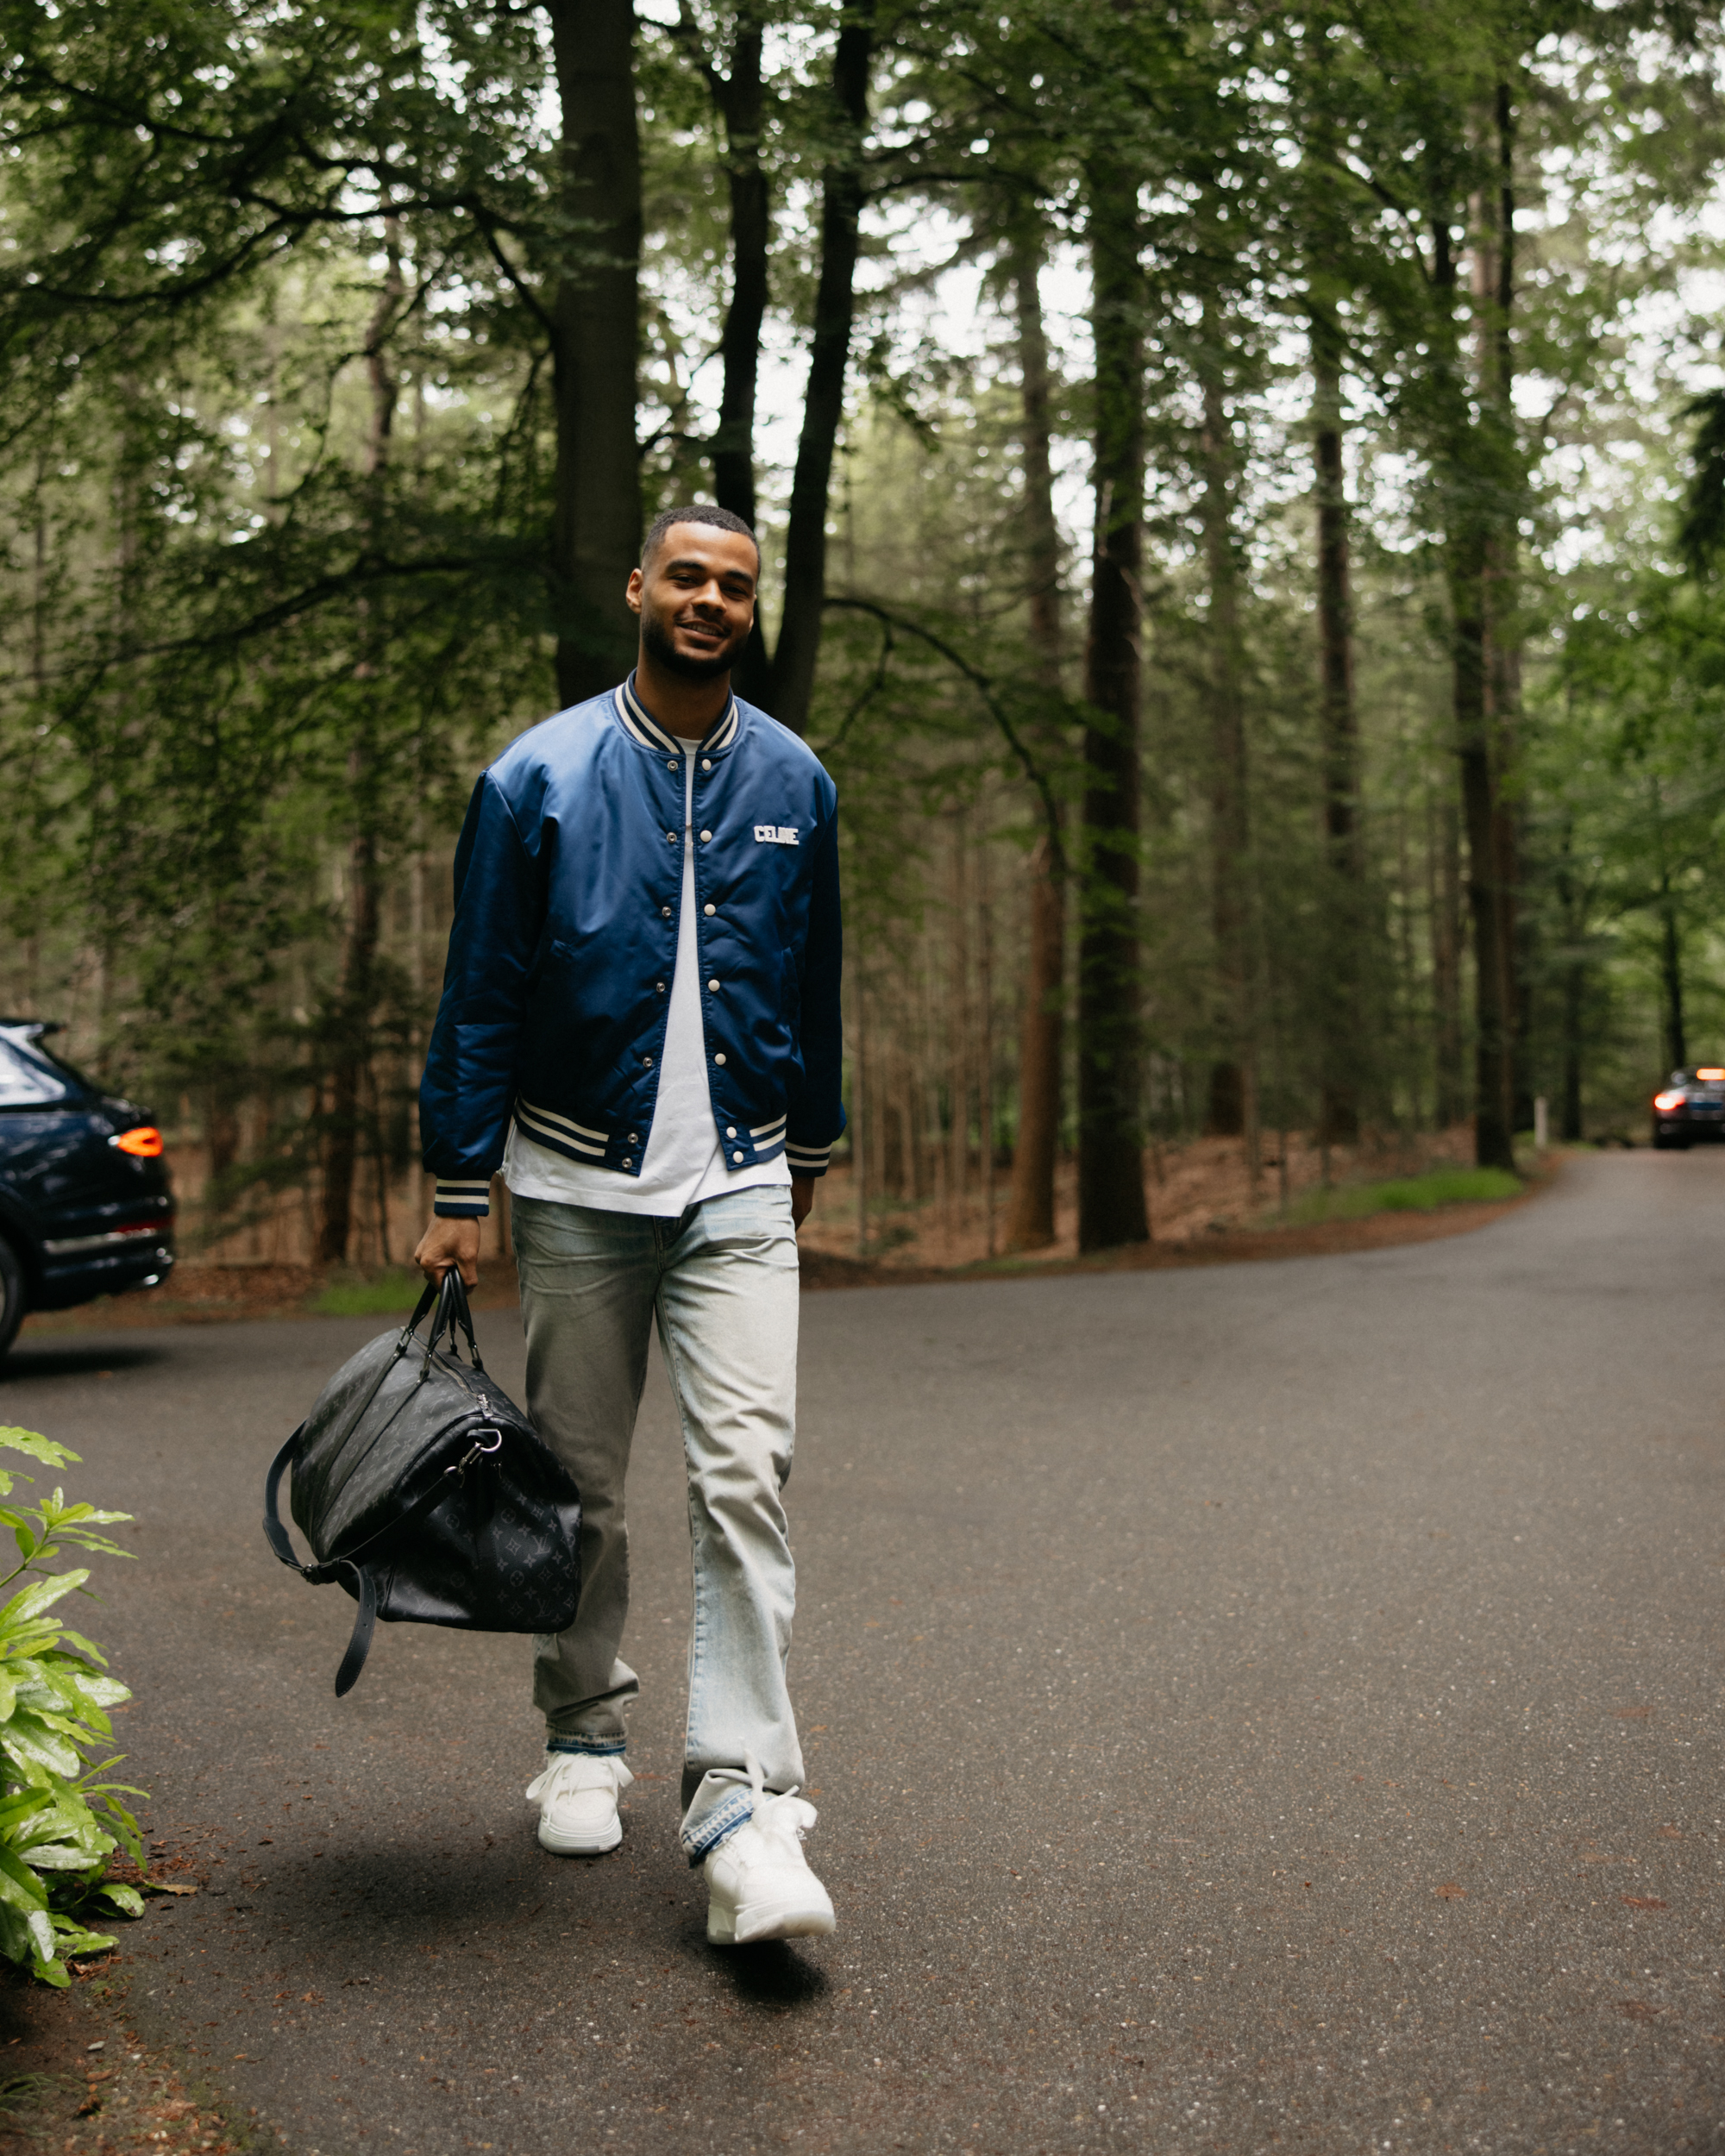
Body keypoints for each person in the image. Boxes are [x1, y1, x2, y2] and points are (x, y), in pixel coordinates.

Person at [412, 505, 843, 1946]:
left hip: (738, 1183)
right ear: (638, 589)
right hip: (578, 1188)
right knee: (582, 1491)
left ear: (750, 607)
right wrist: (458, 1188)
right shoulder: (534, 776)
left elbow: (815, 979)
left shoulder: (798, 783)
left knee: (746, 1479)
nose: (710, 600)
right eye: (688, 578)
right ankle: (584, 1737)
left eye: (735, 584)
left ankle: (739, 1789)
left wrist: (812, 1143)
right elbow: (478, 993)